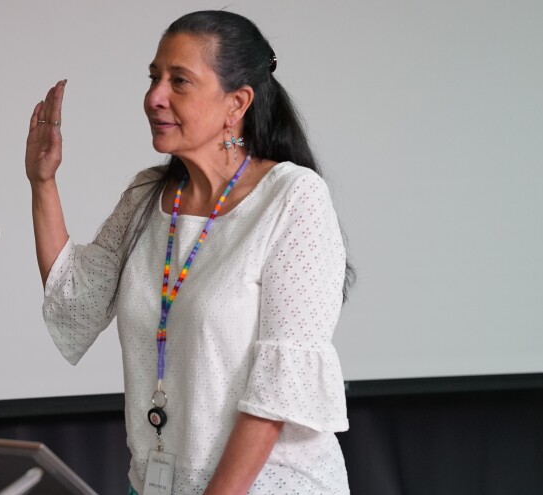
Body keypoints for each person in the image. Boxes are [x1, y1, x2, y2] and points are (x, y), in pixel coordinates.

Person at [26, 10, 352, 495]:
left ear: (236, 103)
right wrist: (43, 181)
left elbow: (279, 394)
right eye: (154, 77)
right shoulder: (147, 196)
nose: (154, 97)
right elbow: (77, 299)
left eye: (179, 81)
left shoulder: (292, 197)